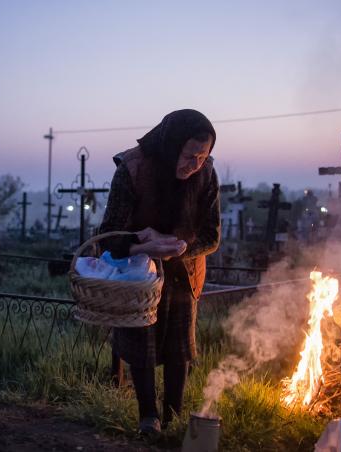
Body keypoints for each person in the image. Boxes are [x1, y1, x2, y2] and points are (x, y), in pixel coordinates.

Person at [98, 109, 221, 435]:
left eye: (202, 156)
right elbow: (108, 235)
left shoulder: (206, 174)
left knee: (179, 349)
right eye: (189, 155)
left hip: (183, 272)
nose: (194, 164)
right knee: (142, 343)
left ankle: (174, 417)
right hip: (138, 275)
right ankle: (148, 418)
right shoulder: (134, 168)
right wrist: (143, 247)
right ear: (171, 145)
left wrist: (181, 248)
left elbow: (211, 235)